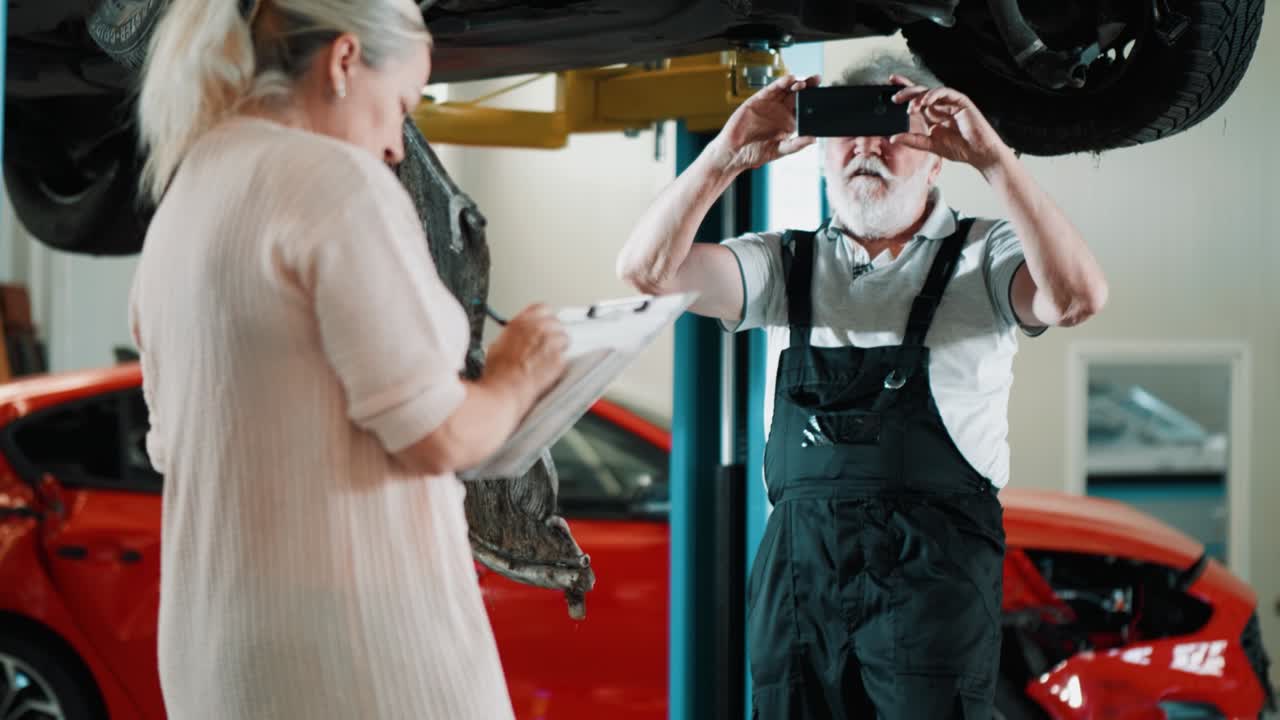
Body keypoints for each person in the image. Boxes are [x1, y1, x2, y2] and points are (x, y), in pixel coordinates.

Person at [617, 51, 1108, 718]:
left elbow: (1077, 296)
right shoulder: (782, 264)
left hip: (932, 579)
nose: (865, 149)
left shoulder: (985, 256)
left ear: (937, 155)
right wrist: (728, 153)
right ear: (820, 153)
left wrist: (994, 160)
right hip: (800, 583)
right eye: (846, 129)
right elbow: (646, 272)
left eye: (892, 128)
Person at [129, 0, 567, 717]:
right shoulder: (333, 182)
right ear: (342, 62)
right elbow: (440, 435)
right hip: (361, 667)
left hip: (218, 669)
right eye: (401, 106)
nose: (398, 146)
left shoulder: (186, 199)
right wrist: (522, 371)